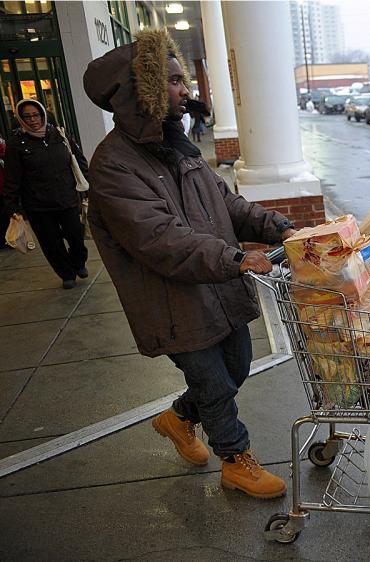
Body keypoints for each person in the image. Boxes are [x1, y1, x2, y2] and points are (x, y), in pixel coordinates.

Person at [83, 28, 296, 499]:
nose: (187, 91)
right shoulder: (114, 166)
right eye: (176, 81)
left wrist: (280, 227)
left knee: (237, 366)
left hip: (218, 287)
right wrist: (237, 259)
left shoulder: (180, 149)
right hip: (170, 300)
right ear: (147, 92)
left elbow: (229, 205)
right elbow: (160, 240)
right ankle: (235, 460)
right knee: (214, 383)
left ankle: (178, 419)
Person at [3, 99, 89, 288]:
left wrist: (88, 185)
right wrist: (12, 206)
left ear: (43, 114)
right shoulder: (17, 144)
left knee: (76, 235)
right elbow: (12, 178)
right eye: (27, 116)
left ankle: (79, 262)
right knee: (52, 244)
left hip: (67, 198)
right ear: (20, 118)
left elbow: (78, 161)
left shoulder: (59, 135)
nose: (33, 120)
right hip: (38, 205)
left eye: (36, 115)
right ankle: (66, 274)